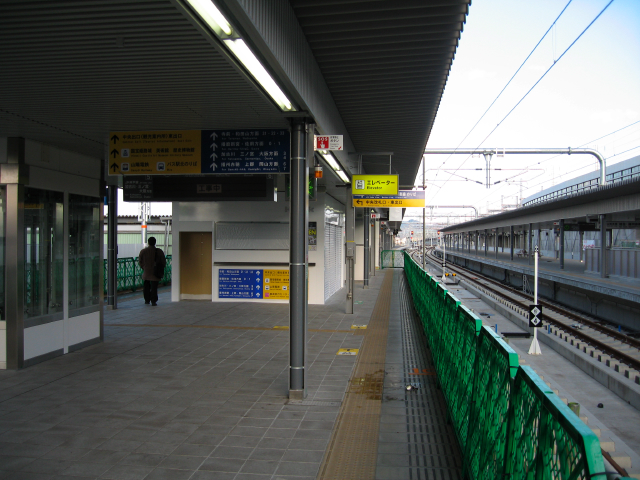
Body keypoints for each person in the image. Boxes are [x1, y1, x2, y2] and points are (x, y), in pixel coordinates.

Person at [138, 237, 166, 306]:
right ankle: (153, 301)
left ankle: (147, 300)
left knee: (146, 286)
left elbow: (140, 261)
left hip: (146, 272)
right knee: (154, 287)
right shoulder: (159, 251)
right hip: (155, 272)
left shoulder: (143, 251)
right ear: (155, 242)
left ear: (148, 242)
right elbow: (163, 262)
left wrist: (144, 267)